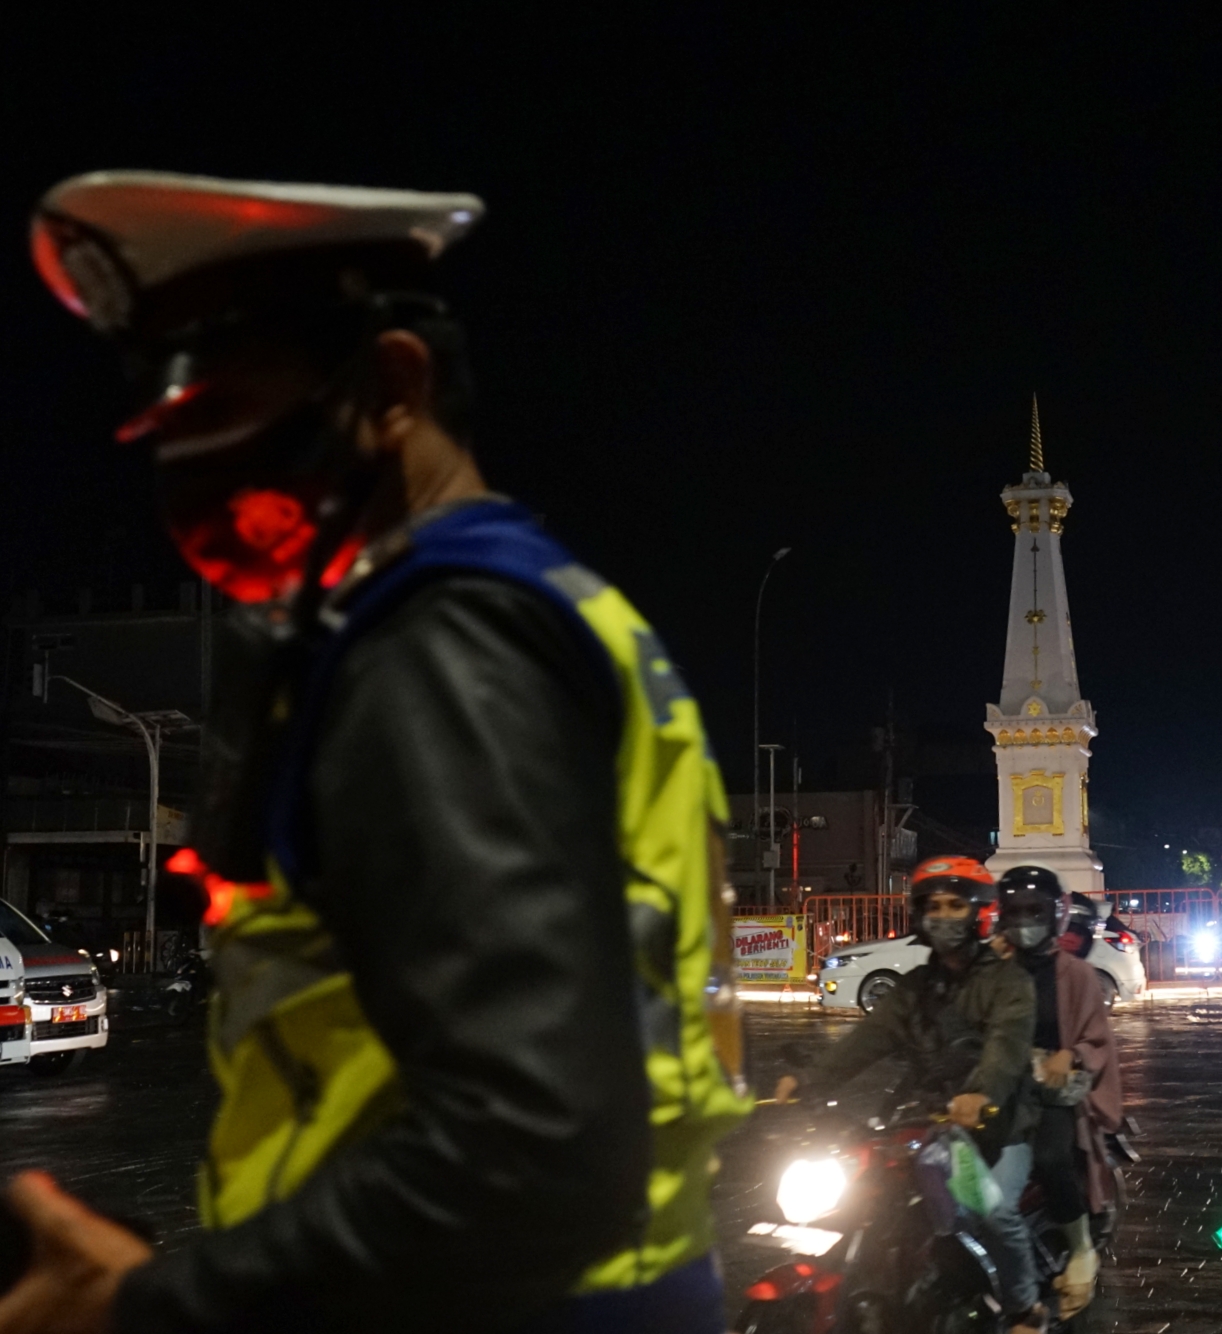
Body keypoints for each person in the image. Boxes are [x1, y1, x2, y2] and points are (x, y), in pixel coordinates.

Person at [0, 172, 750, 1332]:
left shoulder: (442, 639)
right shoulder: (537, 605)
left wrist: (149, 1304)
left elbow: (530, 1138)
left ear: (392, 383)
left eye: (227, 410)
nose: (188, 467)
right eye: (168, 428)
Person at [772, 857, 1046, 1334]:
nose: (943, 915)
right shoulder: (915, 988)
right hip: (927, 1120)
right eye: (933, 905)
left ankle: (1025, 1310)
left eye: (955, 904)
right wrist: (811, 1080)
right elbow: (868, 1039)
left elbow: (1005, 1049)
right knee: (873, 1193)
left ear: (980, 912)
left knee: (995, 1211)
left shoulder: (1009, 983)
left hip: (997, 1128)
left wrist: (980, 1096)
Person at [992, 866, 1124, 1320]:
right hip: (1000, 1089)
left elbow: (1097, 1038)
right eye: (1016, 911)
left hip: (1051, 1093)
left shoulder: (1077, 975)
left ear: (1055, 915)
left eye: (1035, 911)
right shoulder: (992, 970)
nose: (1026, 920)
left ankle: (1081, 1248)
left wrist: (1068, 1056)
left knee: (1050, 1158)